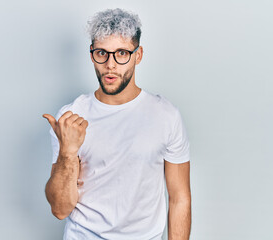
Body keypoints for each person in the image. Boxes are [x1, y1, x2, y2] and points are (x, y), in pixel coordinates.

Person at [43, 8, 191, 240]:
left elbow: (180, 197)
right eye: (102, 53)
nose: (110, 64)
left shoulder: (165, 115)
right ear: (92, 54)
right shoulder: (71, 116)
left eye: (121, 53)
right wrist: (67, 154)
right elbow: (60, 209)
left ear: (138, 55)